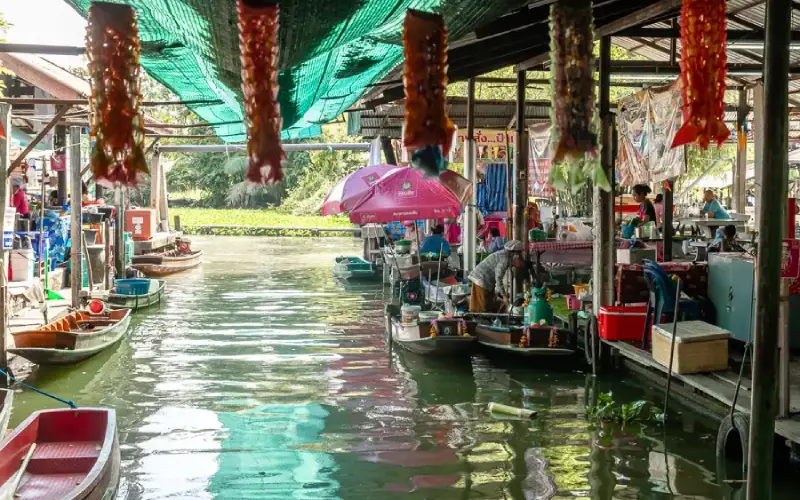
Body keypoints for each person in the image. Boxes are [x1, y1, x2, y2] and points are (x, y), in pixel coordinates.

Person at [468, 239, 526, 312]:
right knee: (480, 307)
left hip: (485, 281)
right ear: (515, 255)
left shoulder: (506, 256)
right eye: (519, 256)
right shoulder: (504, 259)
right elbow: (498, 278)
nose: (518, 265)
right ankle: (479, 321)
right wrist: (504, 296)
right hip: (480, 278)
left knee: (490, 303)